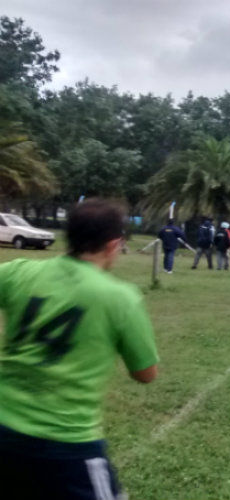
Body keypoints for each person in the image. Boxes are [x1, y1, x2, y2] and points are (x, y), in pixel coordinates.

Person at [0, 198, 159, 500]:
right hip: (66, 443)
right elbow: (145, 374)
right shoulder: (120, 297)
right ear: (113, 245)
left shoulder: (19, 272)